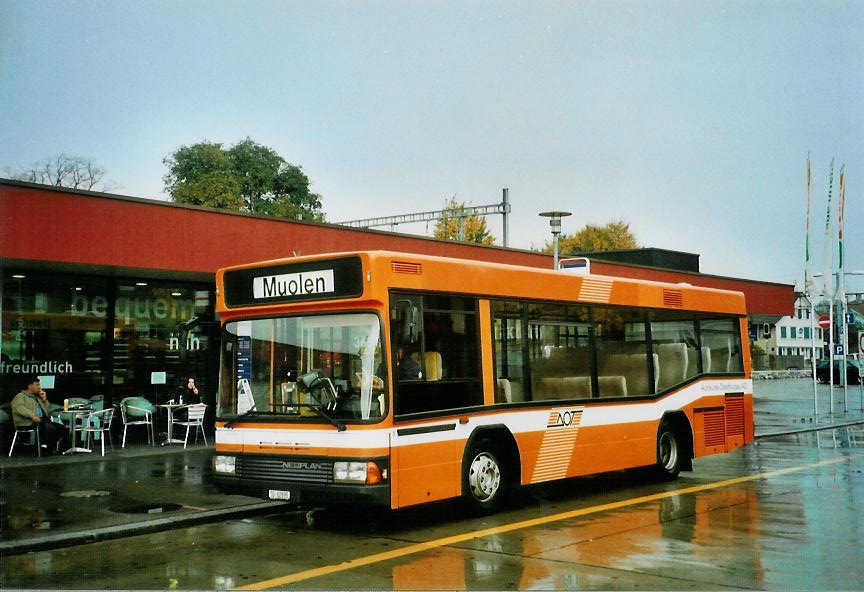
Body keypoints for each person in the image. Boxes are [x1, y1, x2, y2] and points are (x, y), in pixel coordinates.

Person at [11, 376, 69, 455]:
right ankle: (46, 449)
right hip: (29, 422)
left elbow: (47, 411)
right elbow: (19, 408)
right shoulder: (20, 396)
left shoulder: (36, 397)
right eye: (37, 385)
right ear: (30, 386)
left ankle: (61, 450)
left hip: (42, 420)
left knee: (63, 429)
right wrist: (32, 416)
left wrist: (44, 400)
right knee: (52, 429)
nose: (39, 387)